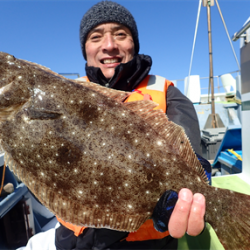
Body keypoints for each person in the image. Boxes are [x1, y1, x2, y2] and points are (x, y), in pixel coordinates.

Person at [18, 1, 210, 250]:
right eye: (96, 37)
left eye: (120, 34)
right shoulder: (60, 96)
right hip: (71, 239)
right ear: (85, 49)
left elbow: (190, 151)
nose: (109, 45)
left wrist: (195, 183)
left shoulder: (166, 92)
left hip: (144, 243)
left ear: (134, 44)